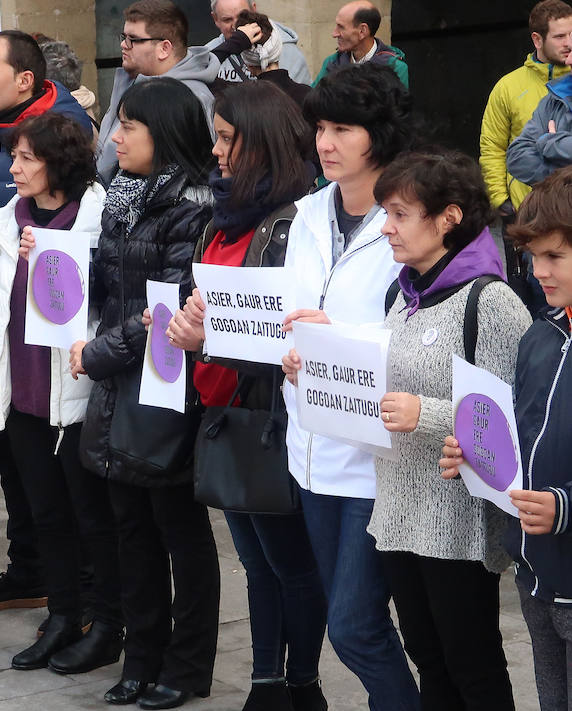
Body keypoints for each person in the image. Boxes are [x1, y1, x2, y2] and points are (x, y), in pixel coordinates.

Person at [164, 80, 327, 711]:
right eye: (217, 137)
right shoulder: (221, 215)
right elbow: (207, 304)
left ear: (260, 141)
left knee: (290, 564)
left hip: (267, 414)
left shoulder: (291, 223)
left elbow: (274, 329)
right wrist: (185, 327)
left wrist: (210, 336)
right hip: (221, 410)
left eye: (229, 138)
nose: (218, 152)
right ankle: (266, 680)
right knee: (257, 564)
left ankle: (300, 682)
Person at [279, 63, 421, 711]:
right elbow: (287, 314)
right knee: (360, 624)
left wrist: (333, 342)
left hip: (379, 461)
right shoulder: (306, 214)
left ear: (380, 136)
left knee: (356, 627)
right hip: (310, 450)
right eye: (320, 127)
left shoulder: (410, 226)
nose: (325, 142)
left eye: (343, 128)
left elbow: (431, 343)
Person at [77, 77, 220, 710]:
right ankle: (140, 657)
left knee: (177, 531)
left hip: (165, 385)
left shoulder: (194, 207)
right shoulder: (122, 197)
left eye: (128, 127)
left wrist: (101, 353)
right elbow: (107, 289)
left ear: (162, 134)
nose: (114, 137)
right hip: (118, 383)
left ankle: (186, 666)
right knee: (129, 527)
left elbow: (172, 306)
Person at [370, 150, 528, 709]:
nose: (385, 228)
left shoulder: (491, 301)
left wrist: (427, 415)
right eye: (385, 213)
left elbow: (510, 420)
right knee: (428, 660)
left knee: (473, 665)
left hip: (457, 520)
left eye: (399, 215)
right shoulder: (403, 293)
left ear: (448, 218)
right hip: (398, 509)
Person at [0, 112, 124, 674]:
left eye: (26, 159)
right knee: (46, 514)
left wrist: (60, 259)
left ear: (58, 164)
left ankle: (101, 619)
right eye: (13, 157)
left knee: (90, 517)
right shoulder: (4, 221)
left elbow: (108, 304)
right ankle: (61, 616)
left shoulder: (98, 220)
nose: (14, 169)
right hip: (21, 389)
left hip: (76, 392)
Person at [0, 29, 91, 613]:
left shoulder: (64, 145)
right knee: (25, 485)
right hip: (6, 351)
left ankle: (85, 607)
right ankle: (43, 586)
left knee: (74, 505)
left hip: (62, 367)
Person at [441, 166, 572, 711]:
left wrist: (565, 507)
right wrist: (473, 450)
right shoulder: (540, 336)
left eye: (555, 258)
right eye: (532, 257)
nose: (537, 271)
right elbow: (517, 436)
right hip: (536, 569)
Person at [95, 0, 220, 182]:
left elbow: (191, 176)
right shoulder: (135, 80)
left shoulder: (194, 98)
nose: (124, 45)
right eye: (124, 38)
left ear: (164, 48)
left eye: (133, 40)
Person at [480, 0, 572, 217]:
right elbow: (493, 145)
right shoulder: (508, 86)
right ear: (537, 40)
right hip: (525, 211)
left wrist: (546, 143)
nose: (569, 43)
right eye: (560, 37)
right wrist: (500, 199)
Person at [506, 48, 572, 186]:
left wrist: (549, 142)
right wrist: (562, 179)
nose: (568, 60)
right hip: (556, 205)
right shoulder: (553, 98)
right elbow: (517, 156)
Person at [204, 0, 311, 85]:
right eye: (227, 20)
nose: (236, 26)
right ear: (215, 18)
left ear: (254, 10)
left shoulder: (288, 51)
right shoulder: (208, 54)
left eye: (242, 16)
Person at [312, 1, 408, 88]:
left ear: (362, 31)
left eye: (341, 27)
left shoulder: (395, 67)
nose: (334, 34)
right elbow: (311, 102)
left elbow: (398, 106)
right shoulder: (332, 63)